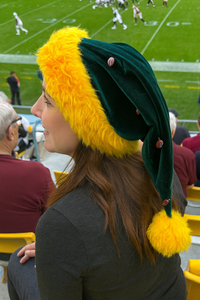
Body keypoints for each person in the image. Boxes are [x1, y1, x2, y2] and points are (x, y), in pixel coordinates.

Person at [7, 27, 191, 300]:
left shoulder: (63, 222)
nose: (34, 110)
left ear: (87, 123)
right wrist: (61, 252)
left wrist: (59, 245)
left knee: (16, 264)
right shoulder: (162, 173)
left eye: (47, 100)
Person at [0, 102, 54, 238]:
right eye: (18, 124)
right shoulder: (36, 172)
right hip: (25, 258)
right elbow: (59, 219)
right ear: (10, 132)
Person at [169, 112, 197, 197]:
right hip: (177, 205)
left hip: (147, 206)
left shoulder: (140, 152)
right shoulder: (187, 154)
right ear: (173, 132)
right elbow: (190, 185)